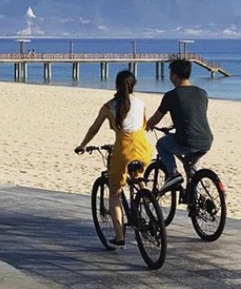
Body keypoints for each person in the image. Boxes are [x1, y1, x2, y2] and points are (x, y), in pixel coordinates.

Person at [74, 70, 153, 248]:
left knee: (115, 193)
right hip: (143, 149)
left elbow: (94, 129)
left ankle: (119, 237)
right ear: (134, 85)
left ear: (116, 85)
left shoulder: (109, 106)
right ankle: (149, 204)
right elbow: (144, 124)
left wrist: (83, 145)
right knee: (138, 176)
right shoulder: (140, 103)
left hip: (123, 150)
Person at [146, 59, 214, 191]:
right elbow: (191, 116)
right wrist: (173, 126)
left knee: (161, 144)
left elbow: (156, 118)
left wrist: (148, 125)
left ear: (174, 76)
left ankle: (173, 174)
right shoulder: (202, 93)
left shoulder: (171, 95)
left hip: (186, 141)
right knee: (191, 167)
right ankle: (195, 201)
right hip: (206, 140)